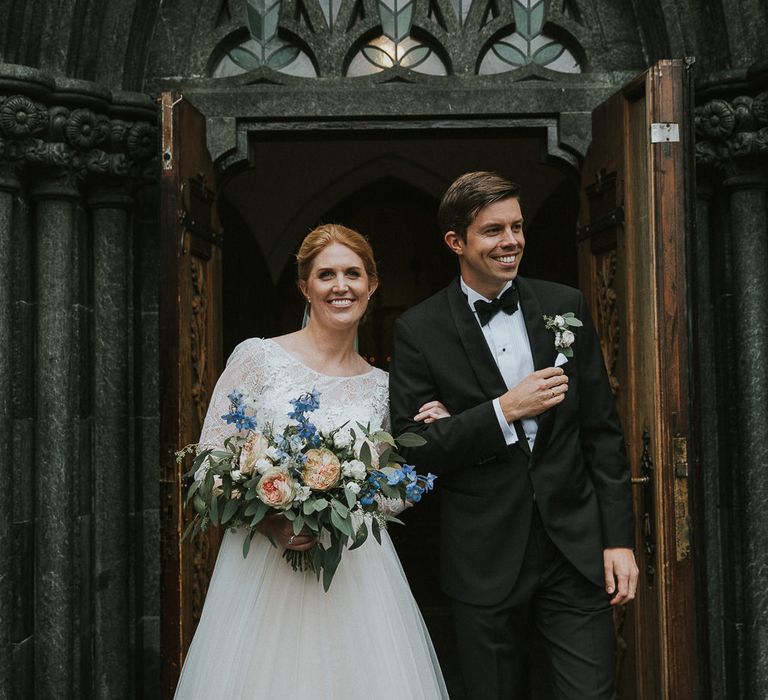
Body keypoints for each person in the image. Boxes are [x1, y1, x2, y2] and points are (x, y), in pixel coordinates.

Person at [389, 171, 639, 699]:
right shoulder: (419, 328)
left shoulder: (563, 305)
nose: (511, 242)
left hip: (573, 545)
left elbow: (601, 433)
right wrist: (503, 410)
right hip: (483, 553)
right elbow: (418, 449)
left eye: (517, 227)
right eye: (493, 231)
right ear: (456, 242)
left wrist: (617, 538)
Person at [174, 224, 448, 699]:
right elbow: (207, 468)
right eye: (326, 275)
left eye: (353, 274)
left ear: (372, 285)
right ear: (305, 287)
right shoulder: (258, 358)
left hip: (357, 576)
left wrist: (434, 433)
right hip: (266, 572)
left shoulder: (383, 388)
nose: (341, 286)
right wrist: (271, 520)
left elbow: (386, 494)